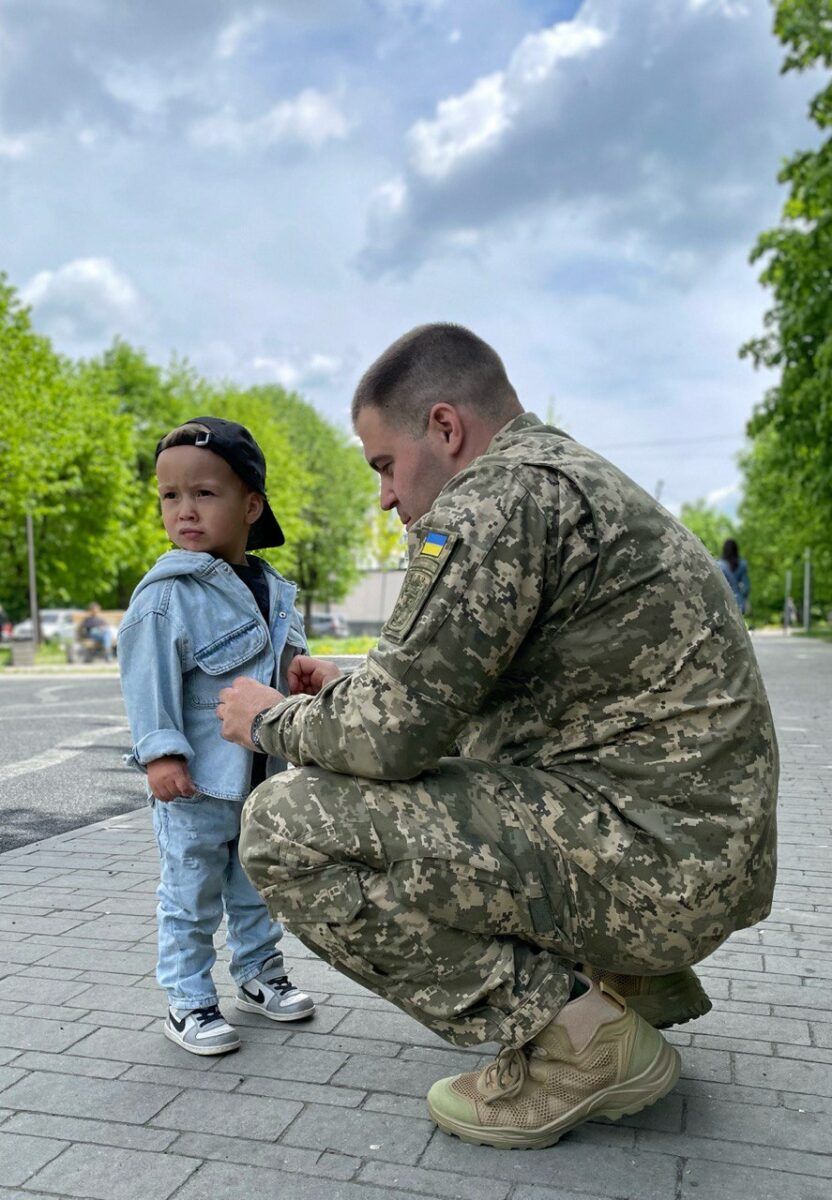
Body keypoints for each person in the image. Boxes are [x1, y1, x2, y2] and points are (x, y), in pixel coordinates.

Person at [218, 324, 778, 1148]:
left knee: (285, 826)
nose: (383, 497)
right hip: (687, 846)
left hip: (657, 863)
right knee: (439, 763)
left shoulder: (493, 499)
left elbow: (395, 738)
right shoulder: (558, 475)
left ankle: (580, 1044)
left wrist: (267, 718)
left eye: (383, 465)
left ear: (445, 429)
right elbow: (468, 692)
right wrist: (353, 688)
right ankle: (618, 984)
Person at [119, 416, 315, 1056]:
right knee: (190, 894)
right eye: (170, 496)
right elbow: (147, 683)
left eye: (204, 493)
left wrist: (302, 675)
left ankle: (258, 973)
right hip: (197, 783)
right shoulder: (165, 596)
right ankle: (188, 1000)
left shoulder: (273, 588)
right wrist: (161, 753)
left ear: (251, 504)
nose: (185, 510)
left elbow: (281, 664)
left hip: (261, 779)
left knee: (255, 883)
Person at [717, 539, 750, 615]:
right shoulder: (742, 564)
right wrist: (744, 598)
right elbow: (746, 587)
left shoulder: (719, 565)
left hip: (724, 601)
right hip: (739, 601)